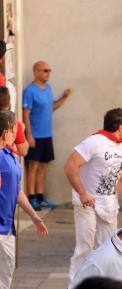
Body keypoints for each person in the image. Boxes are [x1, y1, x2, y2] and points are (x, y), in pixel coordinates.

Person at [64, 108, 122, 285]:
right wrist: (82, 193)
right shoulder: (93, 142)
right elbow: (70, 166)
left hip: (109, 204)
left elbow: (121, 176)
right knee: (85, 247)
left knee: (109, 248)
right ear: (120, 127)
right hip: (87, 202)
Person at [0, 110, 47, 289]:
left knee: (6, 271)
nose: (17, 135)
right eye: (14, 131)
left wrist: (34, 216)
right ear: (6, 132)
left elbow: (17, 191)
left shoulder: (10, 155)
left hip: (7, 227)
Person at [23, 61, 71, 211]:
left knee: (43, 166)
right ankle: (32, 198)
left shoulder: (48, 89)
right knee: (33, 166)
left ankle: (40, 197)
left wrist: (64, 98)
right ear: (36, 72)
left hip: (47, 135)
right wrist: (29, 135)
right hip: (35, 135)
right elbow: (26, 115)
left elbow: (51, 108)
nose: (48, 73)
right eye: (45, 70)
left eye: (49, 70)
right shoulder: (29, 91)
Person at [0, 87, 28, 158]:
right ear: (9, 104)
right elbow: (23, 151)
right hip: (5, 163)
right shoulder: (13, 124)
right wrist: (22, 130)